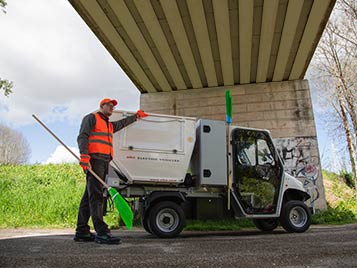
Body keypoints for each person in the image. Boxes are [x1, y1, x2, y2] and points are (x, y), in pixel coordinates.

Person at [73, 98, 148, 244]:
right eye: (110, 105)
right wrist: (84, 156)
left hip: (104, 161)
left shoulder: (108, 125)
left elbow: (122, 123)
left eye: (113, 106)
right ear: (102, 106)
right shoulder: (91, 118)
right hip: (95, 160)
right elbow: (82, 136)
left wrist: (136, 116)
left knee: (88, 197)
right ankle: (102, 232)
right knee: (96, 197)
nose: (112, 108)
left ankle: (82, 231)